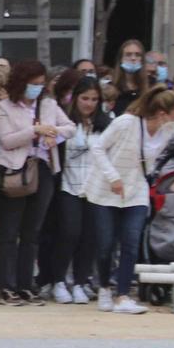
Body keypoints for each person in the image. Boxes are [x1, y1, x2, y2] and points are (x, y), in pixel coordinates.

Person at [87, 86, 174, 314]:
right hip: (106, 189)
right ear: (162, 113)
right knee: (105, 245)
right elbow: (98, 148)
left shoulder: (169, 131)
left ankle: (122, 295)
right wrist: (113, 177)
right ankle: (104, 287)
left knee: (131, 242)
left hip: (137, 189)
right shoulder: (126, 123)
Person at [0, 59, 70, 305]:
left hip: (43, 169)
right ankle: (6, 284)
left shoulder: (48, 104)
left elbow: (70, 127)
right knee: (9, 230)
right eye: (33, 83)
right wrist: (36, 131)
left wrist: (53, 135)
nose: (37, 87)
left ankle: (26, 284)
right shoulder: (3, 106)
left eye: (40, 83)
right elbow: (7, 140)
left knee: (32, 232)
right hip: (15, 169)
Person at [46, 74, 108, 304]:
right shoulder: (65, 121)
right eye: (85, 98)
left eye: (94, 99)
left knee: (89, 237)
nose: (89, 103)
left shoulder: (105, 123)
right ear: (75, 98)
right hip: (68, 186)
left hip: (94, 188)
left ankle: (81, 281)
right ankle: (59, 280)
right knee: (69, 232)